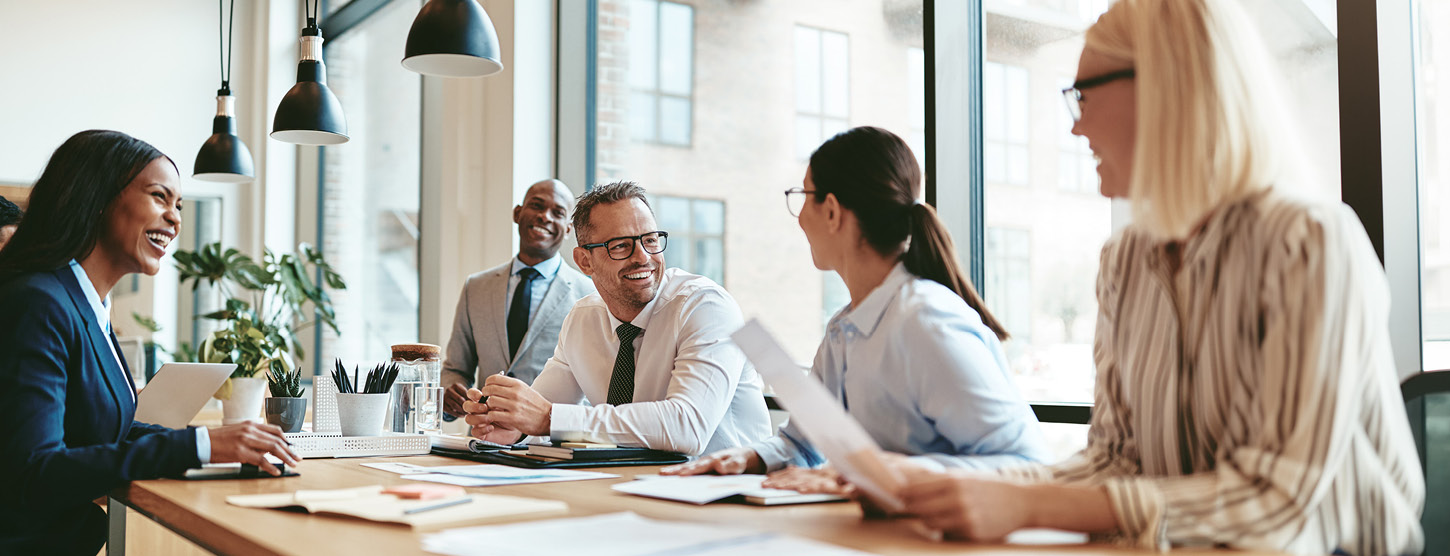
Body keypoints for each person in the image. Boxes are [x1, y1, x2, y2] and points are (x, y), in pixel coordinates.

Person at [895, 1, 1425, 553]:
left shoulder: (1308, 242)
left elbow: (1278, 499)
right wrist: (946, 490)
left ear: (1164, 85)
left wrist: (1028, 504)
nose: (1076, 127)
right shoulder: (1124, 261)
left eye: (1083, 95)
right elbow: (1115, 460)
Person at [661, 127, 1050, 483]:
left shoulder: (926, 323)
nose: (798, 221)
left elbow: (1026, 463)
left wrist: (882, 473)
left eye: (803, 198)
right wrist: (749, 458)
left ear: (831, 211)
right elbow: (803, 444)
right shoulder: (844, 330)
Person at [0, 130, 301, 555]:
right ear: (98, 197)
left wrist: (217, 443)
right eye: (160, 196)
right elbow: (34, 471)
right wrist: (197, 446)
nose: (176, 219)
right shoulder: (39, 303)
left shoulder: (86, 305)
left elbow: (106, 429)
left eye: (178, 204)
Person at [461, 181, 772, 455]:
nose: (643, 257)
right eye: (621, 245)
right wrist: (512, 426)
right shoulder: (583, 320)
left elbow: (687, 427)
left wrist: (548, 419)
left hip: (726, 497)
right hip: (632, 487)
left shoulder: (706, 307)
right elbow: (540, 407)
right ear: (585, 261)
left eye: (650, 239)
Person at [441, 179, 596, 420]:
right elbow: (455, 369)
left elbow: (594, 385)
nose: (545, 217)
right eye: (536, 205)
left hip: (550, 445)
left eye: (557, 213)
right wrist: (450, 393)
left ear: (568, 229)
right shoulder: (477, 287)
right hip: (483, 437)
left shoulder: (589, 294)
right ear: (517, 213)